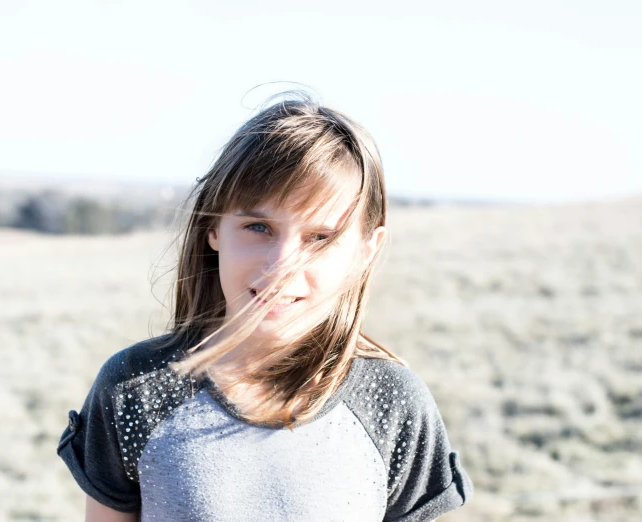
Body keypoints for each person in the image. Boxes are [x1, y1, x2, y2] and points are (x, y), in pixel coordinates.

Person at [57, 94, 473, 521]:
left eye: (321, 237)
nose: (281, 266)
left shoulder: (393, 403)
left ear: (367, 250)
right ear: (212, 228)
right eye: (258, 227)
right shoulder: (133, 389)